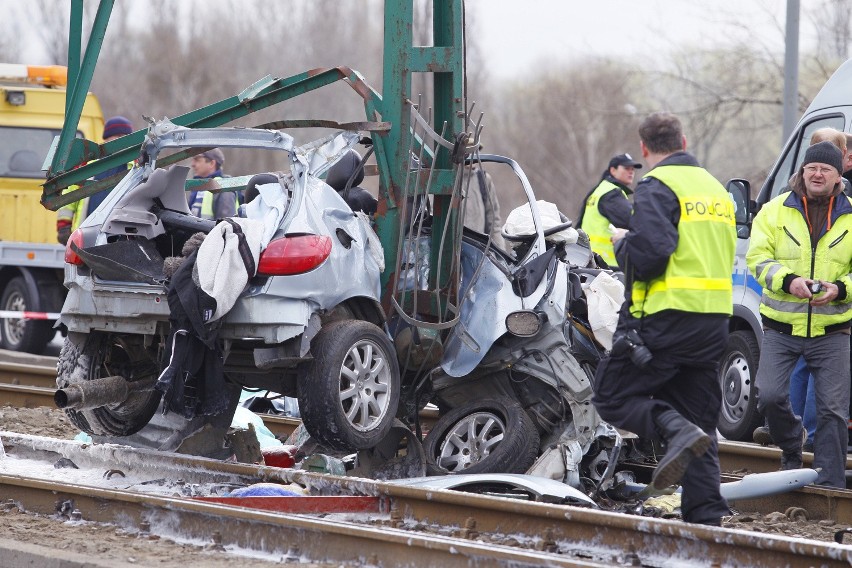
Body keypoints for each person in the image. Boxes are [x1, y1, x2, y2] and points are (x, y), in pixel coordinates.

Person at [591, 112, 736, 526]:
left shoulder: (658, 184)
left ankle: (674, 431)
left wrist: (622, 245)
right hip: (713, 322)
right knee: (700, 421)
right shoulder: (715, 188)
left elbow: (653, 253)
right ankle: (706, 522)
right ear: (684, 140)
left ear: (643, 149)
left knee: (612, 396)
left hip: (667, 316)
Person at [747, 140, 852, 487]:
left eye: (825, 169)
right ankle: (792, 446)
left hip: (833, 331)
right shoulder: (774, 211)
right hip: (781, 328)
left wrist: (840, 289)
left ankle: (830, 486)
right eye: (811, 168)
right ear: (802, 171)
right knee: (769, 395)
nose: (817, 174)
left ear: (839, 176)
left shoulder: (851, 214)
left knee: (833, 411)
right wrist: (788, 281)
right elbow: (758, 259)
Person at [56, 116, 134, 244]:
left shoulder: (136, 165)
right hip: (86, 234)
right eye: (118, 136)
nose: (122, 141)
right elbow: (70, 195)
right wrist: (64, 226)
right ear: (107, 138)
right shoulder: (87, 165)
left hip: (122, 238)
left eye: (126, 137)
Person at [577, 153, 641, 267]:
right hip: (607, 264)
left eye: (633, 169)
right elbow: (634, 221)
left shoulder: (601, 190)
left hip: (591, 260)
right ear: (613, 170)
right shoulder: (612, 194)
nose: (631, 172)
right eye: (626, 168)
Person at [462, 166, 506, 249]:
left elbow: (494, 223)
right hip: (449, 252)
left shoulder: (483, 179)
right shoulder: (444, 178)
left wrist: (500, 255)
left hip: (478, 252)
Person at [187, 148, 236, 220]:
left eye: (197, 160)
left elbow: (225, 226)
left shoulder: (224, 188)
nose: (193, 164)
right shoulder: (197, 187)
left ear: (212, 163)